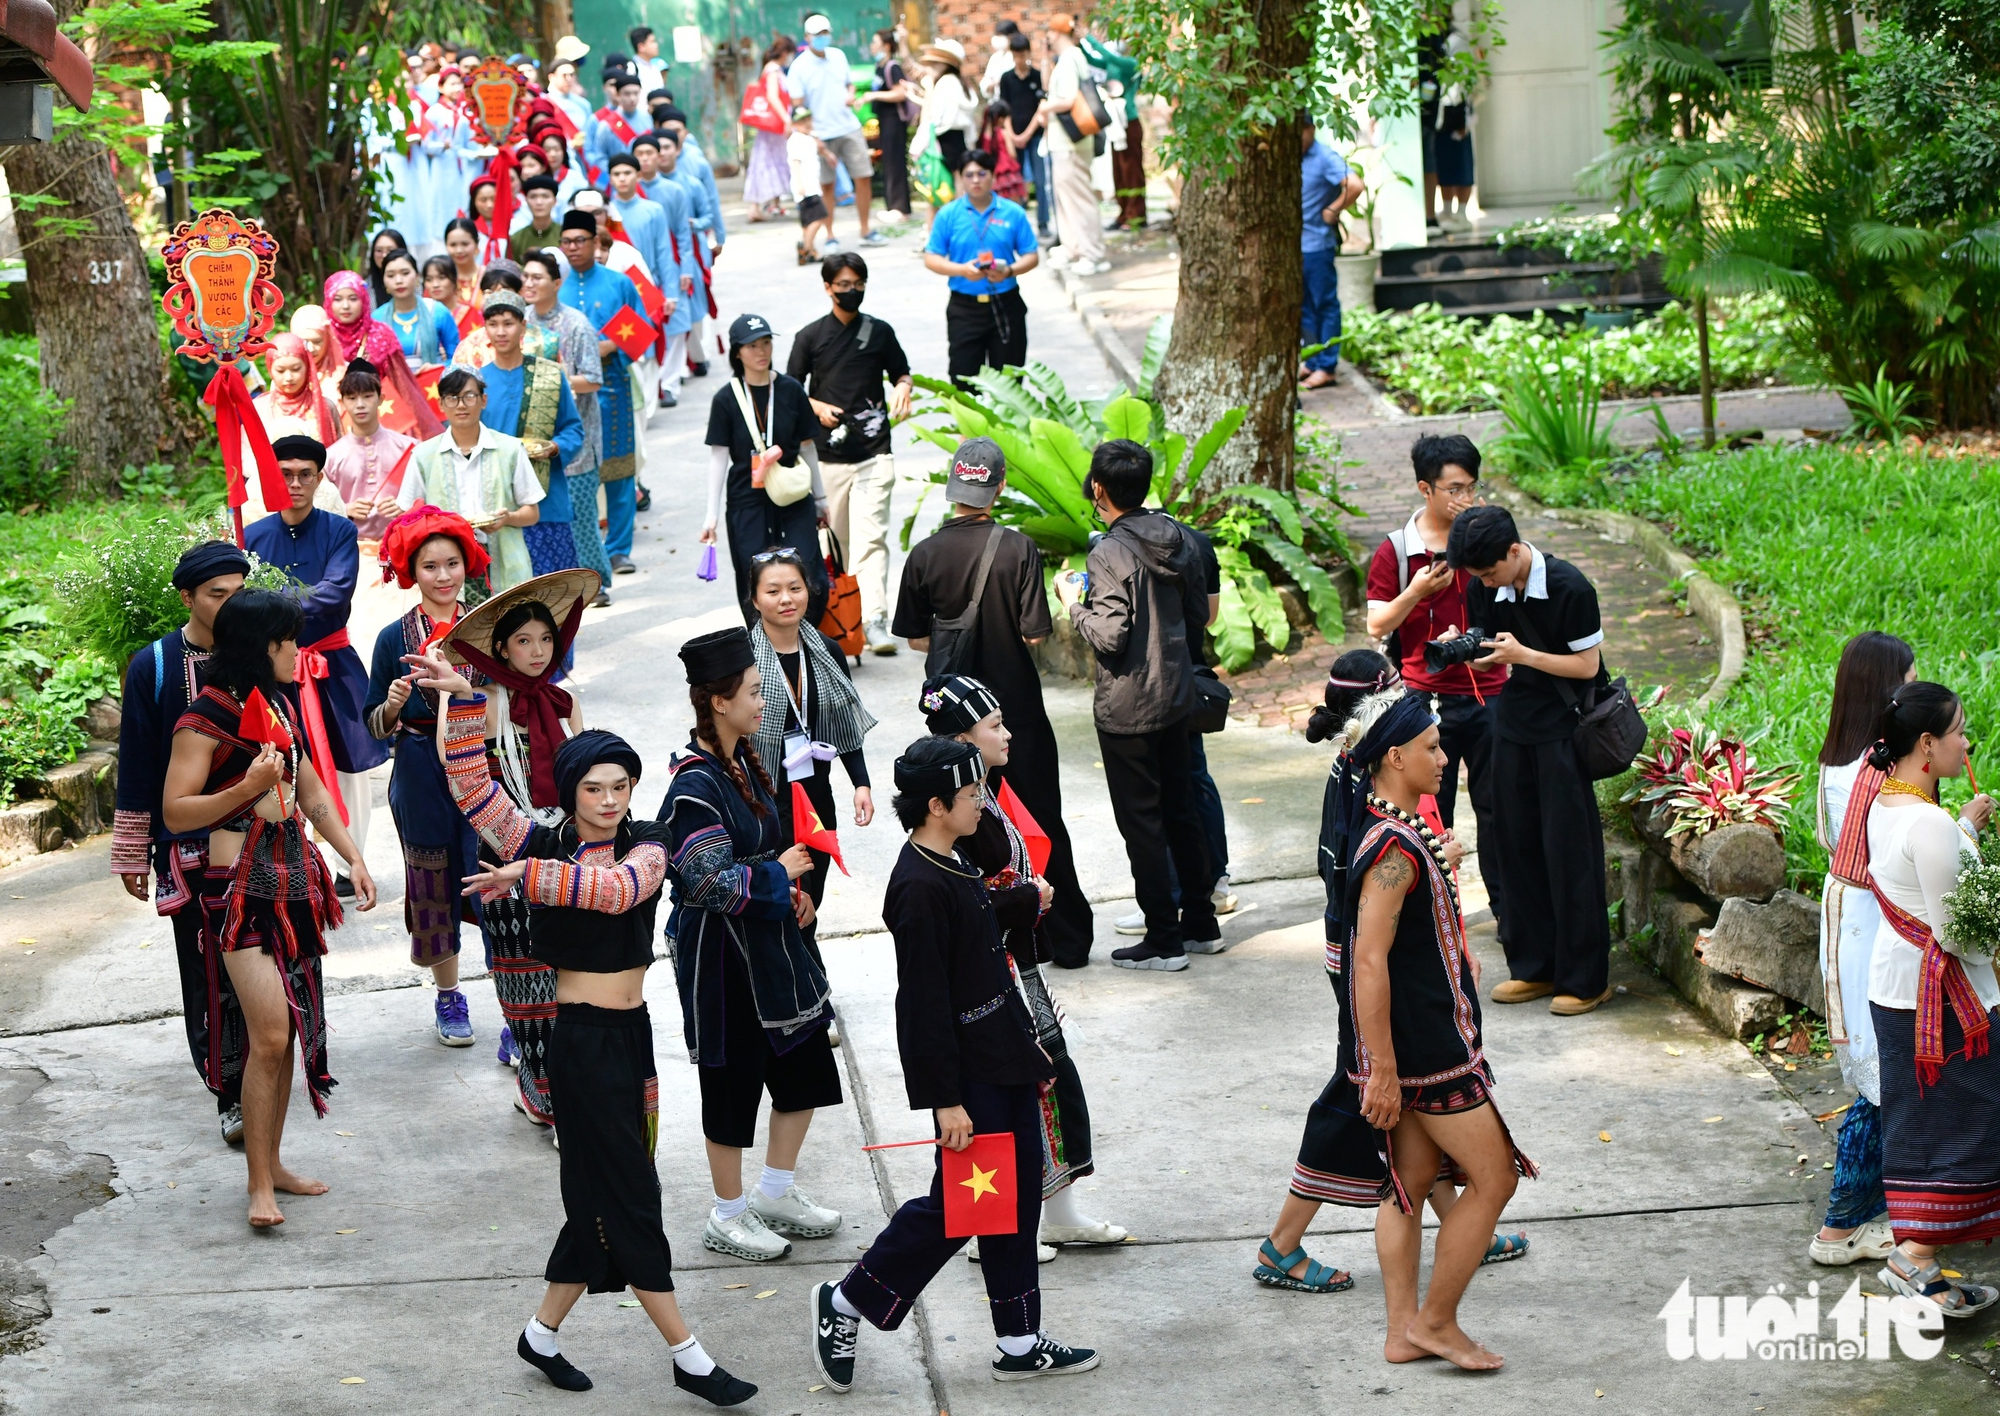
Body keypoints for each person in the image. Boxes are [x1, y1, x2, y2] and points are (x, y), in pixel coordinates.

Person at [401, 648, 761, 1407]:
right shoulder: (542, 843)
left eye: (619, 786)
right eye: (593, 789)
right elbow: (473, 789)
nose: (607, 799)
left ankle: (540, 1335)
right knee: (631, 1195)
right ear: (568, 793)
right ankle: (688, 1356)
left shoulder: (649, 842)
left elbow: (616, 891)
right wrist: (465, 701)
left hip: (632, 1040)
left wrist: (523, 876)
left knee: (599, 1197)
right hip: (581, 1041)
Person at [810, 735, 1098, 1394]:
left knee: (1014, 1199)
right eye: (973, 796)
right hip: (970, 1072)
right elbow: (922, 1004)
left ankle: (1019, 1340)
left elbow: (978, 920)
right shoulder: (915, 888)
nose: (984, 804)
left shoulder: (955, 859)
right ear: (937, 805)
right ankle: (849, 1300)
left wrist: (1023, 899)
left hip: (1004, 1054)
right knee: (965, 1205)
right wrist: (945, 1100)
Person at [1256, 648, 1526, 1297]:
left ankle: (1458, 1245)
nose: (1442, 756)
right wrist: (1378, 1062)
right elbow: (1371, 938)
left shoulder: (1379, 795)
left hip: (1393, 978)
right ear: (1391, 745)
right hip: (1376, 979)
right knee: (1363, 1098)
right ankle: (1284, 1244)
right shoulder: (1376, 816)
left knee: (1407, 1125)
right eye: (1428, 744)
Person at [162, 589, 378, 1228]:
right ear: (263, 647)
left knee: (283, 1038)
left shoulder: (278, 704)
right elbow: (176, 812)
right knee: (272, 1033)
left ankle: (273, 1163)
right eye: (289, 641)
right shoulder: (202, 719)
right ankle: (258, 1183)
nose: (298, 651)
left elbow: (309, 787)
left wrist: (352, 855)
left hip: (293, 884)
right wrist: (248, 786)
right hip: (235, 891)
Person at [921, 674, 1127, 1252]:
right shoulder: (955, 813)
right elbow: (965, 898)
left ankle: (1055, 1208)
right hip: (986, 980)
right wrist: (1026, 898)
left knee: (1049, 1080)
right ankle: (992, 1228)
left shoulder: (984, 791)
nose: (1008, 735)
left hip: (1018, 967)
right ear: (963, 740)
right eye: (994, 726)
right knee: (998, 1100)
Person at [659, 626, 844, 1265]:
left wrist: (791, 894)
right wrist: (778, 876)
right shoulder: (695, 785)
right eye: (754, 691)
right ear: (718, 700)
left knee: (804, 1070)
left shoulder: (745, 762)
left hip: (774, 947)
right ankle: (728, 1214)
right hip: (722, 962)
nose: (762, 701)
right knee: (731, 1084)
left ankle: (775, 1191)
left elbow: (770, 853)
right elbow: (703, 879)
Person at [892, 438, 1094, 966]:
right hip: (1016, 715)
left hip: (952, 720)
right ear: (999, 485)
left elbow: (915, 639)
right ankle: (1067, 940)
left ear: (953, 487)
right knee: (1041, 818)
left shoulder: (924, 554)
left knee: (962, 827)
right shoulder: (1017, 547)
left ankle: (985, 938)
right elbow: (1033, 635)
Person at [1861, 682, 2000, 1315]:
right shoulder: (1929, 822)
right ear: (1927, 744)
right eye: (1960, 731)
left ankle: (1911, 1251)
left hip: (1897, 991)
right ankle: (1913, 1256)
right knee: (1967, 1124)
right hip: (1945, 1004)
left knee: (1920, 1124)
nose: (1966, 742)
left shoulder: (1883, 804)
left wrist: (1962, 830)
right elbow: (1959, 931)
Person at [441, 573, 598, 1128]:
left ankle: (558, 1094)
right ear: (501, 648)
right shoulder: (478, 703)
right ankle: (538, 1088)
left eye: (546, 640)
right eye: (524, 641)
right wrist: (459, 700)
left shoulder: (565, 700)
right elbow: (460, 773)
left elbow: (588, 777)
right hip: (500, 856)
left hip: (564, 855)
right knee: (521, 983)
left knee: (568, 983)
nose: (537, 652)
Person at [1057, 438, 1217, 970]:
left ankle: (1162, 940)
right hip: (1176, 695)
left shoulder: (1108, 551)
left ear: (1099, 489)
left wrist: (1072, 605)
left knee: (1142, 824)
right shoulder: (1179, 537)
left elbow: (1109, 637)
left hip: (1128, 707)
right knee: (1182, 810)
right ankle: (1200, 924)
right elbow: (1198, 615)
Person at [1446, 504, 1613, 1015]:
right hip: (1514, 722)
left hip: (1565, 725)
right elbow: (1490, 649)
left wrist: (1525, 656)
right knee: (1513, 844)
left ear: (1515, 551)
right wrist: (1465, 648)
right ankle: (1534, 968)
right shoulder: (1483, 586)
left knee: (1569, 852)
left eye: (1491, 571)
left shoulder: (1570, 587)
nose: (1484, 582)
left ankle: (1585, 980)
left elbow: (1588, 666)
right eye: (1477, 575)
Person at [113, 542, 249, 1145]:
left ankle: (264, 1072)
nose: (228, 606)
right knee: (205, 968)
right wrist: (131, 848)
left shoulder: (256, 654)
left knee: (264, 958)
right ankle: (228, 1090)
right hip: (184, 847)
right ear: (187, 597)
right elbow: (138, 760)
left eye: (237, 594)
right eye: (217, 595)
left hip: (256, 840)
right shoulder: (156, 666)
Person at [1364, 433, 1506, 926]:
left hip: (1491, 695)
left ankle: (1510, 922)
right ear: (1426, 489)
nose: (1464, 499)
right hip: (1425, 702)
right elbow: (1377, 624)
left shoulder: (1485, 542)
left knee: (1498, 816)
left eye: (1471, 487)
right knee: (1429, 821)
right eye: (1454, 489)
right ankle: (1436, 922)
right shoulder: (1397, 551)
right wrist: (1417, 590)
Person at [365, 509, 491, 1046]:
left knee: (498, 876)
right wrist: (394, 705)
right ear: (410, 571)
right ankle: (449, 996)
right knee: (432, 878)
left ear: (469, 564)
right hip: (419, 770)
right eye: (430, 566)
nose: (444, 576)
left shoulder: (492, 624)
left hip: (486, 767)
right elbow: (374, 727)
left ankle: (517, 1001)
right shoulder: (393, 638)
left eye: (452, 563)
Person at [243, 435, 389, 896]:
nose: (295, 483)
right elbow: (244, 600)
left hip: (330, 661)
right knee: (275, 763)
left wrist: (273, 605)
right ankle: (293, 862)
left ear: (320, 477)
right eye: (285, 474)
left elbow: (336, 591)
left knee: (349, 766)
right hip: (271, 672)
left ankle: (351, 863)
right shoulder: (253, 535)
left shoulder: (340, 530)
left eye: (305, 474)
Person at [1811, 631, 1914, 1267]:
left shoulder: (1838, 758)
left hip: (1847, 913)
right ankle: (1841, 1224)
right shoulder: (1873, 771)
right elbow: (1891, 859)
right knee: (1879, 1081)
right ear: (1885, 688)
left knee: (1878, 1073)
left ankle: (1875, 1212)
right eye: (1907, 680)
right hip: (1872, 920)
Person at [746, 551, 876, 970]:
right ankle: (804, 992)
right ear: (754, 599)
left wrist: (861, 782)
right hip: (764, 801)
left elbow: (842, 721)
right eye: (773, 590)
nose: (786, 598)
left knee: (810, 897)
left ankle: (803, 991)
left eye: (795, 588)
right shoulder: (741, 662)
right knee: (781, 897)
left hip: (815, 799)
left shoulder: (828, 651)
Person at [787, 253, 914, 655]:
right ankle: (842, 623)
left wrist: (903, 387)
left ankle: (875, 620)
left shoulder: (879, 331)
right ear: (827, 288)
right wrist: (816, 407)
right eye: (843, 284)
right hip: (827, 458)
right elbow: (790, 392)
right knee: (836, 543)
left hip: (875, 453)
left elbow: (901, 371)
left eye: (858, 283)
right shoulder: (809, 337)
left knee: (872, 539)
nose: (851, 291)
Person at [701, 313, 829, 626]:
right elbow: (719, 456)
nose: (762, 351)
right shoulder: (726, 398)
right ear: (737, 352)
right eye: (752, 345)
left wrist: (821, 499)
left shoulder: (790, 389)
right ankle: (763, 648)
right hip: (748, 494)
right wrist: (711, 515)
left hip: (792, 491)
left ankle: (806, 641)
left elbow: (808, 445)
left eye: (767, 343)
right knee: (753, 574)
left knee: (808, 568)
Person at [396, 366, 544, 598]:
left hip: (502, 560)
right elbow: (407, 516)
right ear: (442, 404)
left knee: (508, 628)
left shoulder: (510, 448)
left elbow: (532, 512)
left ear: (483, 400)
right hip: (446, 567)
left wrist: (508, 518)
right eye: (452, 398)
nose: (461, 405)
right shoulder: (423, 455)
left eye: (469, 396)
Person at [471, 289, 585, 578]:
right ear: (485, 329)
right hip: (498, 504)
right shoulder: (476, 383)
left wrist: (554, 447)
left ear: (523, 326)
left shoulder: (550, 374)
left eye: (508, 323)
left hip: (547, 498)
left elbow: (573, 428)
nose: (501, 331)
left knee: (557, 589)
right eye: (493, 324)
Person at [523, 249, 615, 602]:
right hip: (532, 443)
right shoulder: (521, 323)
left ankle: (596, 583)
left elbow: (593, 379)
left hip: (575, 442)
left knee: (580, 520)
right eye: (526, 278)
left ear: (557, 283)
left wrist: (555, 379)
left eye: (537, 278)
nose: (529, 284)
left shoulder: (576, 324)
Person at [558, 209, 645, 575]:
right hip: (563, 393)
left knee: (618, 466)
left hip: (610, 385)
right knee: (573, 470)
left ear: (597, 243)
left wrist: (607, 347)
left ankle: (619, 548)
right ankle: (582, 550)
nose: (574, 248)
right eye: (567, 242)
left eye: (581, 240)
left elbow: (640, 332)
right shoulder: (555, 285)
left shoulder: (618, 283)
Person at [922, 147, 1039, 386]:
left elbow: (1031, 255)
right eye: (969, 175)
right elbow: (931, 257)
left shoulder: (1013, 212)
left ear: (993, 176)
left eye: (982, 174)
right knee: (964, 381)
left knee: (1010, 384)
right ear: (961, 178)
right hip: (964, 307)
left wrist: (1010, 271)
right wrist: (962, 270)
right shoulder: (948, 215)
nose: (976, 180)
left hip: (1006, 303)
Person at [786, 14, 882, 248]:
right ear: (807, 37)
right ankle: (830, 236)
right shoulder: (799, 67)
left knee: (863, 177)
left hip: (848, 126)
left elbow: (848, 83)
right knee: (826, 186)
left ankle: (865, 229)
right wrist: (812, 136)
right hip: (821, 133)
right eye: (817, 35)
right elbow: (798, 106)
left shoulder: (838, 56)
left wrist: (850, 94)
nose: (822, 38)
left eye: (825, 33)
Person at [322, 270, 446, 443]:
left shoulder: (381, 334)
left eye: (353, 298)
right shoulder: (322, 336)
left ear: (364, 300)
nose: (345, 306)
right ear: (328, 301)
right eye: (337, 299)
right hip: (332, 422)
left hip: (382, 421)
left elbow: (403, 384)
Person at [243, 335, 346, 525]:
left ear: (307, 366)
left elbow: (338, 456)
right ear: (270, 369)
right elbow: (247, 460)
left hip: (318, 492)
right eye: (281, 370)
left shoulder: (324, 406)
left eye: (296, 369)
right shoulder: (259, 408)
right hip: (266, 498)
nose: (288, 377)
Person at [1300, 117, 1364, 389]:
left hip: (1317, 246)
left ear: (1311, 130)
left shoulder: (1325, 156)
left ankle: (1327, 366)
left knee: (1325, 305)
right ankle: (1312, 361)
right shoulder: (1292, 157)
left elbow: (1355, 184)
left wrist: (1333, 209)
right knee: (1305, 309)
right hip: (1296, 248)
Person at [1039, 15, 1107, 274]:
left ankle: (1092, 253)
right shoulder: (1068, 58)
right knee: (1066, 199)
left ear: (1055, 34)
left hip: (1071, 143)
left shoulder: (1070, 59)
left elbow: (1066, 100)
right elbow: (1052, 88)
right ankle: (1074, 248)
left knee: (1078, 199)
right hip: (1064, 141)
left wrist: (1046, 107)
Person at [1079, 29, 1143, 228]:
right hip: (1115, 123)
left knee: (1132, 170)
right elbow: (1093, 60)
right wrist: (1079, 43)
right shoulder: (1112, 63)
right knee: (1119, 170)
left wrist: (1088, 38)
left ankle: (1137, 215)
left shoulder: (1131, 63)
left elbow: (1106, 56)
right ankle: (1123, 213)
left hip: (1129, 121)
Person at [995, 33, 1049, 238]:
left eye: (1022, 54)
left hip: (1035, 135)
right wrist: (1012, 135)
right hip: (1013, 136)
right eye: (1016, 55)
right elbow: (1004, 110)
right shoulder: (1007, 78)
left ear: (1028, 53)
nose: (1019, 59)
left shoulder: (1036, 76)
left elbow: (1041, 108)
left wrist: (1026, 133)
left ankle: (1043, 223)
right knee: (1014, 183)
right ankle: (1016, 225)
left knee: (1041, 180)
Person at [376, 248, 462, 368]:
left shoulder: (437, 311)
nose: (399, 281)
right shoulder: (376, 318)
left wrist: (439, 368)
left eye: (405, 273)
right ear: (384, 281)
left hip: (433, 384)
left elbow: (458, 358)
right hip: (390, 385)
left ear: (417, 276)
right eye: (391, 275)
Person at [745, 37, 797, 221]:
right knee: (766, 162)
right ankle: (755, 207)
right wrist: (786, 119)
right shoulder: (774, 70)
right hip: (774, 127)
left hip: (773, 128)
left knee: (773, 161)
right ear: (785, 53)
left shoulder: (772, 69)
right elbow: (773, 97)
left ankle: (772, 204)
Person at [867, 29, 914, 221]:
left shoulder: (892, 67)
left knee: (895, 163)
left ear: (886, 46)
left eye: (874, 42)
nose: (871, 46)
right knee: (888, 162)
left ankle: (900, 208)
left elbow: (900, 93)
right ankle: (893, 206)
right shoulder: (880, 66)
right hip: (884, 121)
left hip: (894, 120)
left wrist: (874, 95)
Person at [786, 107, 833, 264]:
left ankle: (811, 250)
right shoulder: (796, 139)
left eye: (808, 119)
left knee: (807, 221)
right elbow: (795, 163)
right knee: (819, 217)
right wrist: (800, 183)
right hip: (806, 187)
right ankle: (805, 247)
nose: (806, 123)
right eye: (802, 121)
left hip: (812, 185)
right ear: (795, 123)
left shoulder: (809, 138)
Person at [442, 217, 487, 335]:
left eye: (465, 244)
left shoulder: (489, 277)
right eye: (453, 245)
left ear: (476, 243)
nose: (459, 250)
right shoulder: (439, 280)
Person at [510, 174, 565, 262]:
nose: (539, 202)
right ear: (526, 201)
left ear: (555, 201)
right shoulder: (516, 239)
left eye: (545, 196)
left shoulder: (564, 235)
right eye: (533, 197)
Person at [629, 25, 666, 95]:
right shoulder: (631, 68)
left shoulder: (655, 68)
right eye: (652, 42)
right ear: (641, 47)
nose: (656, 45)